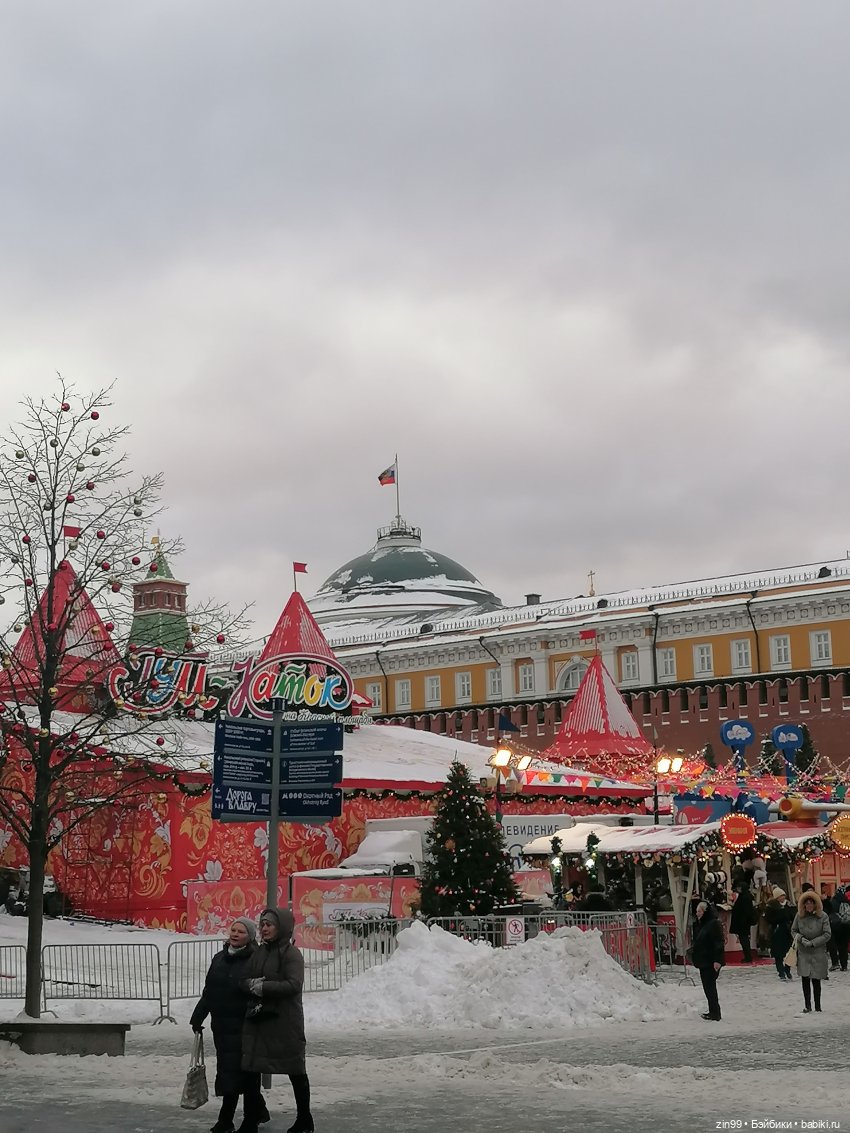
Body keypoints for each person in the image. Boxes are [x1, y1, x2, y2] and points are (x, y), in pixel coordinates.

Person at [190, 917, 269, 1133]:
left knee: (247, 1074)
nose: (235, 934)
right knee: (229, 1072)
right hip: (222, 1028)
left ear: (250, 937)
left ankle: (235, 1120)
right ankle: (256, 1112)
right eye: (233, 930)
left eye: (241, 932)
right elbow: (210, 992)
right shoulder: (219, 959)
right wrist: (198, 1016)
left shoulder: (255, 959)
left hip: (247, 1027)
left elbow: (261, 992)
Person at [241, 908, 312, 1133]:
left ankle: (304, 1119)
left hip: (285, 1021)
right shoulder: (259, 952)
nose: (263, 928)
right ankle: (250, 1120)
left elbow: (294, 985)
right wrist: (250, 985)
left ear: (280, 927)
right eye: (262, 924)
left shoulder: (291, 954)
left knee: (295, 1069)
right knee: (251, 1069)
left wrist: (263, 987)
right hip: (259, 1020)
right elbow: (244, 979)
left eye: (269, 925)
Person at [791, 890, 831, 1013]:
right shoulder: (799, 916)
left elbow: (827, 934)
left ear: (815, 904)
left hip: (817, 952)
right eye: (806, 903)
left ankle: (818, 1006)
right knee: (805, 978)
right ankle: (807, 1005)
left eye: (811, 903)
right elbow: (793, 930)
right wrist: (801, 939)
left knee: (816, 979)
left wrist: (813, 943)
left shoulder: (823, 916)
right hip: (804, 952)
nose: (809, 906)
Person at [691, 901, 725, 1021]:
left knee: (710, 987)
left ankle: (715, 1012)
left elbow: (718, 943)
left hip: (710, 960)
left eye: (699, 911)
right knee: (708, 987)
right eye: (696, 912)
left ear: (705, 912)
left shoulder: (714, 924)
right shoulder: (700, 924)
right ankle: (713, 1010)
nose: (697, 914)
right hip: (703, 960)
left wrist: (717, 960)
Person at [765, 887, 795, 980]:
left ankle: (787, 970)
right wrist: (781, 915)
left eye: (783, 895)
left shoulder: (789, 905)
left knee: (789, 954)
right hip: (776, 932)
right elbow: (769, 919)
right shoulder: (771, 907)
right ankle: (781, 972)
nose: (783, 897)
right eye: (781, 896)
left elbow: (793, 916)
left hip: (787, 932)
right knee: (778, 955)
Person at [729, 881, 756, 962]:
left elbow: (745, 911)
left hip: (743, 922)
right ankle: (748, 956)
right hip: (743, 922)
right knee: (744, 939)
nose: (738, 889)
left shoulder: (745, 897)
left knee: (744, 940)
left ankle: (748, 956)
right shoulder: (745, 896)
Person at [830, 884, 850, 972]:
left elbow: (829, 912)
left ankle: (835, 963)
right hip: (846, 926)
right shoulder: (847, 901)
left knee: (833, 945)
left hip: (835, 926)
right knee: (844, 947)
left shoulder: (833, 901)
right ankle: (844, 965)